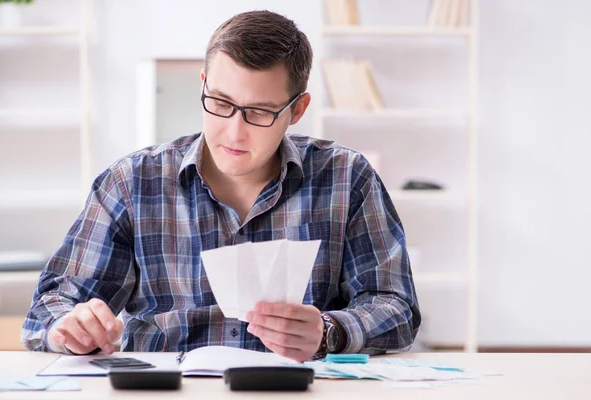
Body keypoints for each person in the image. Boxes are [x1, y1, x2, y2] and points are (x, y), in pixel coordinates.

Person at [22, 10, 420, 362]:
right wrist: (70, 327)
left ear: (297, 110)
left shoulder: (347, 178)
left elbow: (396, 306)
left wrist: (330, 331)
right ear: (203, 83)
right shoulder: (132, 182)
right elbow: (51, 307)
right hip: (165, 392)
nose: (234, 131)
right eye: (221, 102)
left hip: (298, 392)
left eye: (260, 112)